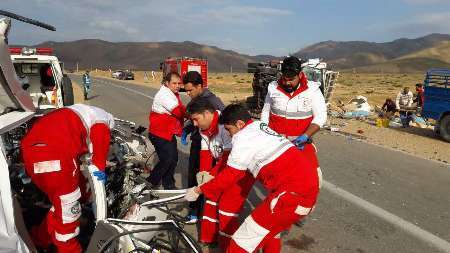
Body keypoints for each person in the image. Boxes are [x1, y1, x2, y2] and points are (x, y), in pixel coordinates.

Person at [185, 104, 321, 253]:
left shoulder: (242, 138)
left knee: (239, 245)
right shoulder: (259, 125)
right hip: (307, 189)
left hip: (290, 195)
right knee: (271, 234)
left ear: (240, 124)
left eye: (229, 130)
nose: (230, 135)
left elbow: (231, 175)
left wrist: (199, 189)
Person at [20, 104, 114, 253]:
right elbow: (98, 164)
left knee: (60, 204)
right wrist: (101, 180)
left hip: (30, 155)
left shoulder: (74, 112)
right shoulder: (102, 120)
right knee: (69, 216)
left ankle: (40, 237)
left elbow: (77, 167)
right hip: (55, 157)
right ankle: (69, 248)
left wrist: (83, 193)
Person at [186, 98, 254, 250]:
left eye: (196, 119)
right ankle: (209, 237)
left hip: (239, 168)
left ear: (207, 113)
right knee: (210, 198)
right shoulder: (203, 128)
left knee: (226, 208)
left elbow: (228, 158)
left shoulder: (225, 125)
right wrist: (204, 175)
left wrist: (209, 179)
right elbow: (205, 153)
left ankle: (229, 244)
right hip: (224, 165)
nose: (195, 124)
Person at [261, 56, 327, 169]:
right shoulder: (273, 88)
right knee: (277, 178)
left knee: (312, 178)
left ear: (300, 75)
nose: (287, 83)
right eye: (285, 79)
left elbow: (321, 116)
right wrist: (264, 132)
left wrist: (306, 136)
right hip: (276, 145)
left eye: (291, 80)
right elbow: (266, 113)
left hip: (301, 144)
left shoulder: (312, 90)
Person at [182, 71, 225, 223]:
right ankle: (194, 210)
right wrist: (187, 128)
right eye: (185, 90)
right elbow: (191, 118)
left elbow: (225, 121)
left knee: (207, 178)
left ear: (199, 86)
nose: (187, 93)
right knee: (195, 175)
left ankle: (210, 212)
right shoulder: (195, 100)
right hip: (198, 144)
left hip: (212, 146)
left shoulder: (213, 101)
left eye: (190, 90)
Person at [148, 72, 185, 189]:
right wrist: (193, 114)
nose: (177, 85)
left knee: (173, 159)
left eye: (179, 83)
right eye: (174, 83)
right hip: (159, 133)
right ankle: (150, 182)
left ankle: (168, 184)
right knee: (167, 159)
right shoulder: (164, 95)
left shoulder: (172, 93)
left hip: (166, 133)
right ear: (167, 83)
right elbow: (178, 111)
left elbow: (181, 109)